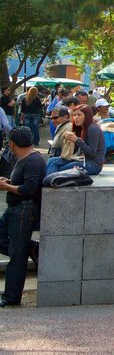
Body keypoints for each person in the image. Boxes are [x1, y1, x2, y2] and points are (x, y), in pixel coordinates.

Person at [0, 127, 44, 307]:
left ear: (12, 144)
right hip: (14, 209)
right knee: (17, 248)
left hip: (24, 210)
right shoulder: (23, 159)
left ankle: (11, 296)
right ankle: (31, 247)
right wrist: (8, 182)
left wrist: (6, 188)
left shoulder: (33, 160)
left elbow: (29, 189)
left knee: (17, 257)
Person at [45, 106, 105, 177]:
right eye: (74, 115)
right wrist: (69, 141)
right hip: (82, 160)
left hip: (93, 165)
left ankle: (50, 183)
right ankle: (49, 182)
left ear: (87, 116)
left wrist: (77, 140)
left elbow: (92, 152)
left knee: (59, 168)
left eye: (79, 115)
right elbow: (76, 150)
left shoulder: (93, 128)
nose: (76, 117)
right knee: (52, 160)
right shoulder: (81, 128)